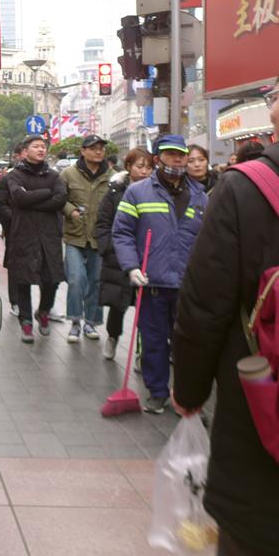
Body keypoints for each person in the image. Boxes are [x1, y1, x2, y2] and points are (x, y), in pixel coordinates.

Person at [172, 43, 279, 556]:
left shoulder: (246, 187)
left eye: (275, 94)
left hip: (268, 418)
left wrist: (188, 391)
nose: (271, 106)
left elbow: (204, 305)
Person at [112, 134, 207, 414]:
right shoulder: (138, 192)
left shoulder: (201, 196)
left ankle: (187, 399)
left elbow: (212, 238)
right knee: (153, 342)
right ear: (158, 158)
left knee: (188, 346)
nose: (177, 160)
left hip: (189, 285)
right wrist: (131, 267)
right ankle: (157, 392)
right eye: (171, 154)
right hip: (151, 282)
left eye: (181, 155)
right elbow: (123, 232)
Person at [1, 135, 66, 343]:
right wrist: (45, 194)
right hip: (24, 234)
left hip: (50, 236)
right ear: (25, 150)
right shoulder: (15, 175)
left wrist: (32, 200)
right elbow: (19, 198)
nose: (41, 149)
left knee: (52, 279)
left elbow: (60, 199)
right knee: (23, 279)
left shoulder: (54, 176)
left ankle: (44, 311)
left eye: (43, 146)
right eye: (36, 146)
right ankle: (26, 321)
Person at [95, 147, 153, 360]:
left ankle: (142, 351)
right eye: (140, 166)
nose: (144, 171)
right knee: (118, 306)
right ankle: (112, 337)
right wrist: (109, 248)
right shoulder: (115, 192)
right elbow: (102, 224)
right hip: (119, 259)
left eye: (149, 167)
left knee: (145, 310)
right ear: (128, 167)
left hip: (148, 259)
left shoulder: (156, 192)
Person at [59, 134, 113, 343]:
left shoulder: (112, 176)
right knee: (75, 279)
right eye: (93, 148)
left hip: (99, 239)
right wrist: (71, 210)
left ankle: (91, 322)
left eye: (101, 148)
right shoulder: (68, 174)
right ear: (83, 151)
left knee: (96, 281)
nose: (98, 151)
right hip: (75, 236)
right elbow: (60, 199)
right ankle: (74, 322)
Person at [0, 141, 26, 315]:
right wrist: (14, 221)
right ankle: (16, 302)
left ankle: (46, 308)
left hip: (39, 230)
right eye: (27, 151)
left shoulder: (47, 176)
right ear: (18, 155)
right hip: (15, 229)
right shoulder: (8, 177)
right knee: (15, 266)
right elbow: (0, 203)